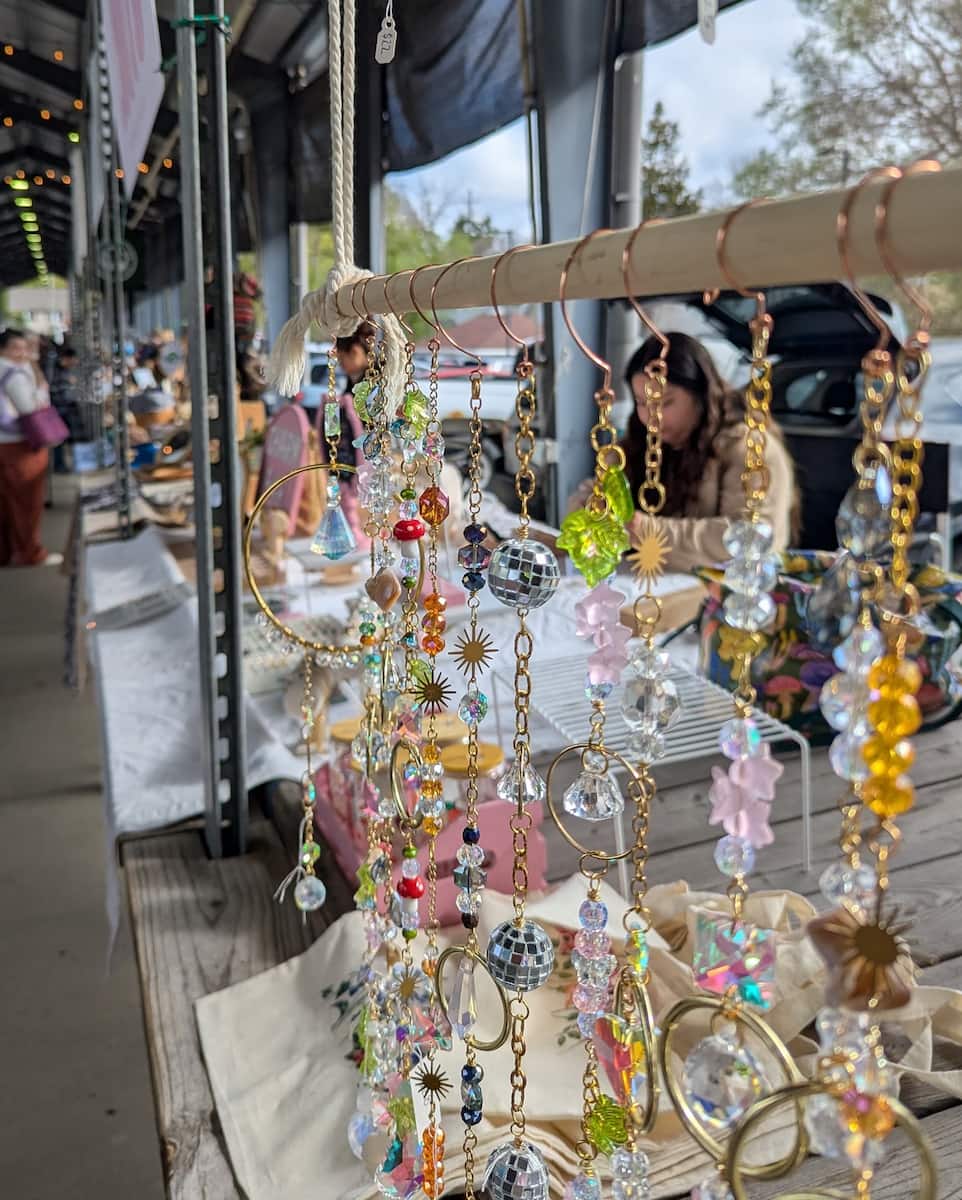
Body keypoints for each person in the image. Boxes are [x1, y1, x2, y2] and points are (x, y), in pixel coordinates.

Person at [569, 331, 796, 572]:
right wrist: (589, 507)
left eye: (665, 403)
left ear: (700, 394)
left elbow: (754, 537)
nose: (651, 418)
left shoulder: (749, 448)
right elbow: (587, 510)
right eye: (641, 402)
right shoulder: (636, 444)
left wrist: (646, 530)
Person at [0, 328, 55, 565]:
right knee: (26, 502)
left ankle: (5, 552)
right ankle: (29, 553)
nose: (22, 353)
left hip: (4, 444)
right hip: (19, 444)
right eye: (17, 348)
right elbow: (29, 408)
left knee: (5, 503)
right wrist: (41, 391)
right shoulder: (14, 373)